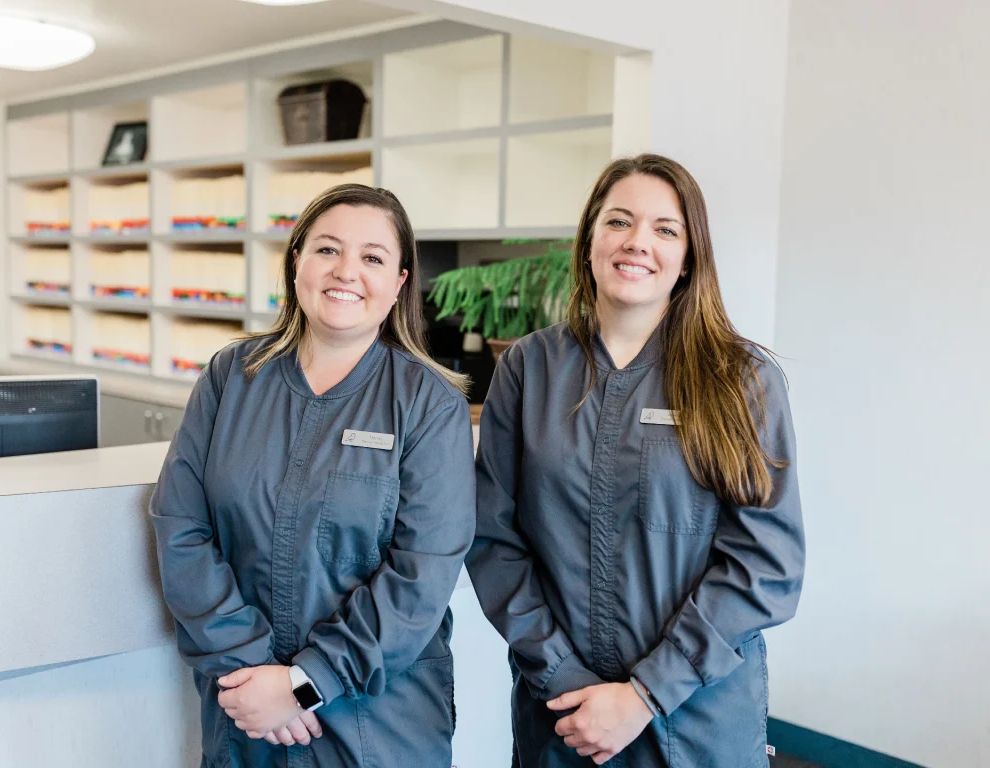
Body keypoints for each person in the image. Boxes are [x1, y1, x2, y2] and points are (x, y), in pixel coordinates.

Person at [466, 154, 805, 767]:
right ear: (590, 238)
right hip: (564, 716)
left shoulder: (743, 379)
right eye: (618, 221)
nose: (637, 243)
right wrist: (566, 679)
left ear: (689, 256)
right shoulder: (529, 368)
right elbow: (493, 539)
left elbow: (766, 564)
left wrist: (647, 694)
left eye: (664, 229)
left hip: (697, 718)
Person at [150, 184, 476, 768]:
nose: (346, 271)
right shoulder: (232, 377)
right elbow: (181, 526)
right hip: (246, 710)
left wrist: (305, 683)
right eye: (327, 249)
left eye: (373, 258)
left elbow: (422, 574)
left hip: (378, 722)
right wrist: (251, 671)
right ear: (296, 259)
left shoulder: (430, 404)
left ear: (400, 281)